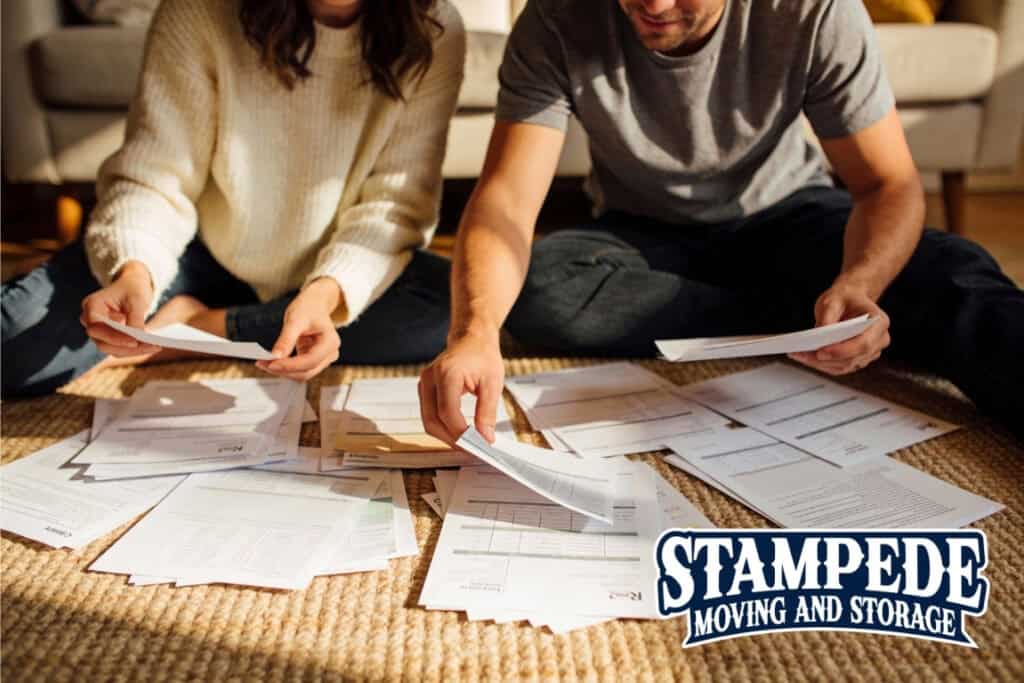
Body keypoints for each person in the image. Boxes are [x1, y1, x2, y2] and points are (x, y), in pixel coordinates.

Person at [418, 0, 1024, 443]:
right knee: (546, 287)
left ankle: (819, 313)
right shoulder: (555, 18)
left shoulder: (814, 12)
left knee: (951, 270)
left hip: (787, 216)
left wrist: (861, 282)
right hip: (642, 231)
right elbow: (506, 203)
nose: (652, 6)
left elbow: (887, 184)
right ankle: (800, 322)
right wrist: (473, 331)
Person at [2, 0, 465, 395]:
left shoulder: (434, 27)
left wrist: (323, 298)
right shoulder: (199, 10)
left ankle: (196, 331)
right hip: (193, 250)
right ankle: (210, 323)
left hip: (328, 270)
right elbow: (155, 177)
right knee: (13, 339)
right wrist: (133, 272)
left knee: (453, 311)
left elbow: (394, 209)